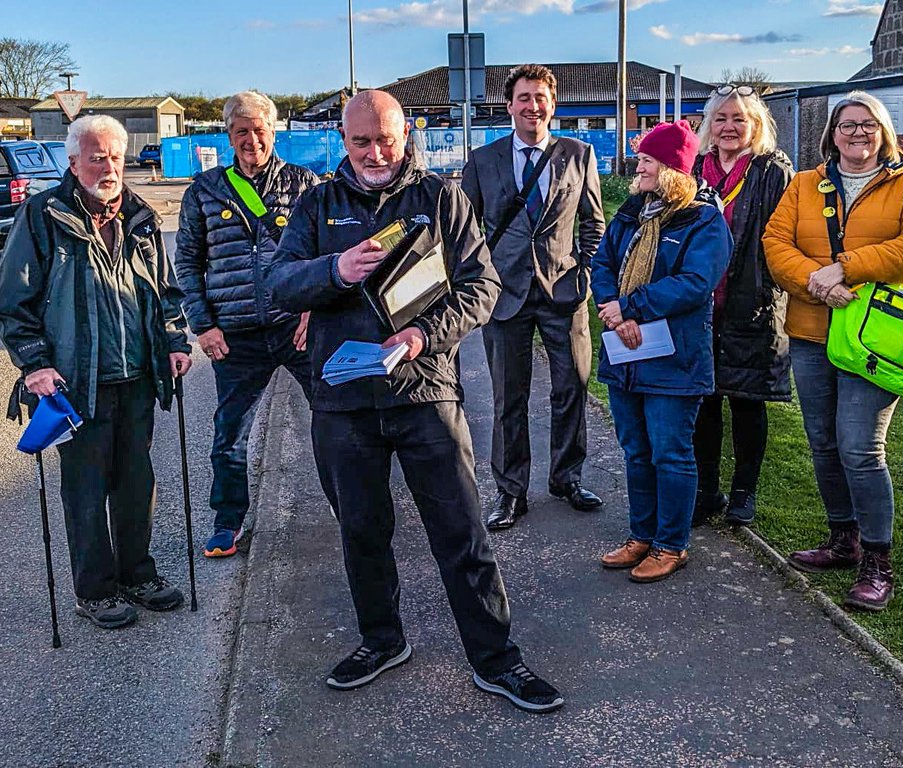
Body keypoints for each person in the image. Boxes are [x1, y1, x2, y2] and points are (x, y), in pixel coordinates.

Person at [267, 90, 561, 711]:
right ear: (342, 141)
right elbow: (279, 282)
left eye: (386, 140)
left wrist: (425, 334)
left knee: (462, 530)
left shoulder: (440, 197)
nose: (375, 153)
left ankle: (496, 658)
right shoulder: (318, 204)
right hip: (343, 399)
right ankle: (382, 639)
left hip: (425, 391)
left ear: (407, 136)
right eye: (360, 142)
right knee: (361, 531)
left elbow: (482, 285)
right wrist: (334, 272)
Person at [0, 115, 193, 629]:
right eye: (96, 157)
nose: (108, 167)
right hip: (75, 383)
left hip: (136, 377)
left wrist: (174, 342)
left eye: (115, 156)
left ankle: (137, 573)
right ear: (73, 162)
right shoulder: (43, 215)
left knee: (136, 483)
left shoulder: (141, 215)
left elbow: (166, 293)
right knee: (86, 490)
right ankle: (95, 589)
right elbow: (13, 302)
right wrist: (35, 364)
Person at [763, 90, 903, 612]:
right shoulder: (803, 184)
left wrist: (847, 268)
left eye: (868, 125)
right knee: (822, 441)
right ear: (832, 133)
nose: (858, 134)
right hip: (813, 331)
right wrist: (818, 284)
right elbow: (776, 246)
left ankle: (877, 561)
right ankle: (843, 540)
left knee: (860, 447)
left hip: (874, 338)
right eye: (847, 125)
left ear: (884, 131)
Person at [462, 64, 606, 532]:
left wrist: (582, 269)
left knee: (572, 388)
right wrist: (481, 278)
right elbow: (464, 234)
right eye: (524, 97)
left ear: (553, 103)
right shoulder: (483, 161)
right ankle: (510, 492)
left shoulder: (579, 154)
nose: (533, 105)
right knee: (509, 397)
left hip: (564, 293)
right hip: (504, 296)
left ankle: (567, 478)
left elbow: (594, 222)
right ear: (509, 105)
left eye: (540, 96)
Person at [174, 91, 319, 558]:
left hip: (293, 327)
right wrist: (203, 325)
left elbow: (324, 256)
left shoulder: (304, 184)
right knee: (230, 434)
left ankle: (350, 505)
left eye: (259, 130)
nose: (251, 139)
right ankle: (228, 520)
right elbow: (188, 264)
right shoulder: (204, 190)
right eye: (242, 131)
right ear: (230, 136)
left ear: (273, 132)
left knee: (338, 418)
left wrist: (312, 310)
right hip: (233, 334)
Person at [593, 120, 733, 583]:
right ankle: (641, 535)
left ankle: (671, 544)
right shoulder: (634, 211)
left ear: (673, 168)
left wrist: (630, 307)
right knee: (636, 449)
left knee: (670, 452)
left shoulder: (703, 220)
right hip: (625, 355)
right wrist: (614, 311)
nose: (639, 168)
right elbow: (603, 261)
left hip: (674, 360)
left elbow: (695, 284)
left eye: (648, 161)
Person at [690, 84, 794, 527]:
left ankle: (744, 493)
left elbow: (786, 235)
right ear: (709, 126)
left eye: (739, 119)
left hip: (753, 301)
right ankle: (706, 489)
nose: (729, 127)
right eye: (721, 119)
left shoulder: (773, 171)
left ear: (756, 125)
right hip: (699, 303)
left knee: (749, 401)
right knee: (704, 400)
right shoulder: (694, 169)